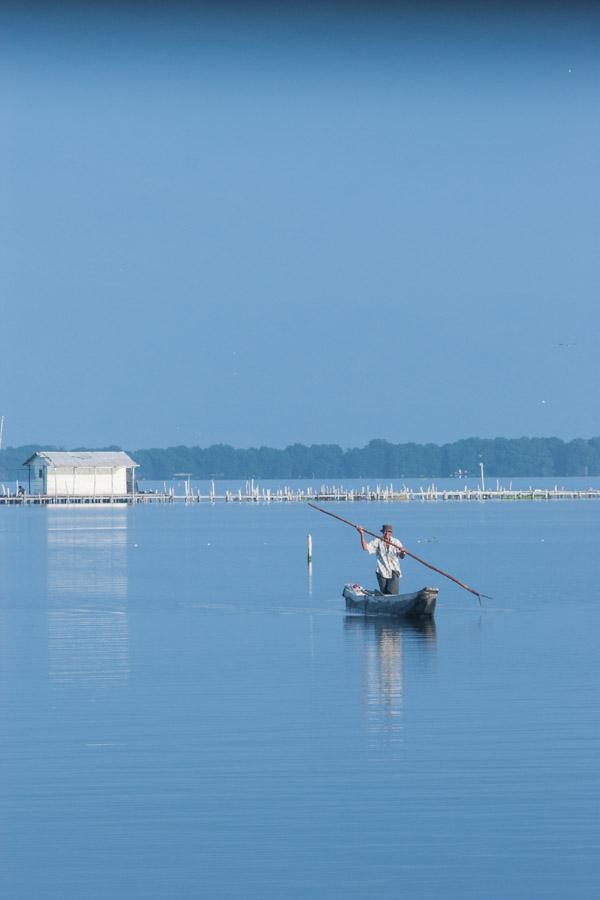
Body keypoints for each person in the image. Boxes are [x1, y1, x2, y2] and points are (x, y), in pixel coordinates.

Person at [357, 523, 405, 595]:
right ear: (382, 532)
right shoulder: (378, 541)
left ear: (391, 533)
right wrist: (361, 534)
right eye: (385, 531)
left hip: (394, 570)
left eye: (388, 531)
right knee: (384, 594)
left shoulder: (396, 542)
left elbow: (401, 556)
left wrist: (402, 551)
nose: (386, 533)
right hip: (381, 571)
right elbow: (365, 548)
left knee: (393, 593)